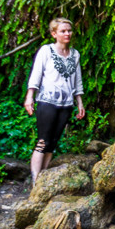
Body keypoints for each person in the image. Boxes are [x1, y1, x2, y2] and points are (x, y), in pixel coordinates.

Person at [23, 17, 85, 183]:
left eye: (69, 30)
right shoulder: (46, 51)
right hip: (47, 102)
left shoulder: (75, 54)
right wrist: (29, 97)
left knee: (53, 142)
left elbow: (77, 80)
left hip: (66, 104)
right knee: (43, 141)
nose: (67, 34)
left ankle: (44, 177)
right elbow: (35, 75)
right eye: (63, 31)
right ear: (54, 34)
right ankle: (36, 181)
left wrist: (79, 102)